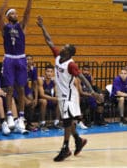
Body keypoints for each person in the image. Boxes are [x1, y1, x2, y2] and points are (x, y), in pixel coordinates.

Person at [37, 15, 91, 162]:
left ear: (69, 53)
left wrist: (92, 92)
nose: (62, 47)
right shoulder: (57, 56)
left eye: (65, 48)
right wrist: (42, 27)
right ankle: (78, 140)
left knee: (66, 121)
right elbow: (49, 41)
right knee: (66, 120)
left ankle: (65, 148)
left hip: (69, 95)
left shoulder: (71, 64)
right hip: (62, 94)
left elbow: (82, 77)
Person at [0, 0, 33, 133]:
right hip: (9, 59)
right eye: (12, 13)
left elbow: (27, 13)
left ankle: (21, 119)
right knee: (10, 89)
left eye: (15, 13)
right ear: (8, 16)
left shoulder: (21, 26)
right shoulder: (4, 28)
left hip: (20, 58)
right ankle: (10, 115)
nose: (15, 14)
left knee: (21, 88)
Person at [37, 64, 61, 131]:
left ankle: (56, 122)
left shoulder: (54, 81)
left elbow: (56, 93)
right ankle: (42, 123)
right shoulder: (41, 79)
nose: (49, 73)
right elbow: (41, 95)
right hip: (39, 100)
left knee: (59, 100)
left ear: (53, 73)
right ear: (45, 72)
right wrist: (53, 98)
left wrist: (56, 98)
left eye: (51, 72)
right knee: (44, 101)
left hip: (50, 98)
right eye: (48, 71)